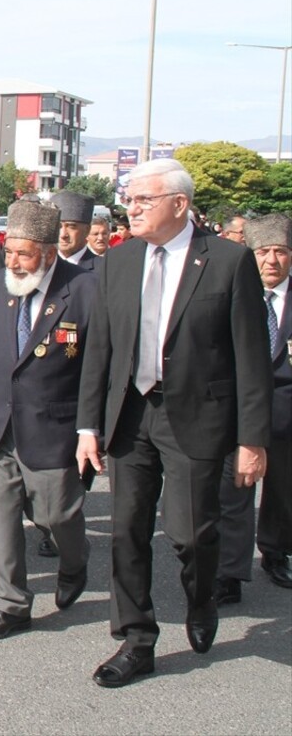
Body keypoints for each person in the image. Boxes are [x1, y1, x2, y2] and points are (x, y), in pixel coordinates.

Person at [76, 158, 270, 688]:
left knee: (190, 534)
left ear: (179, 205)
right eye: (129, 200)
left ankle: (201, 596)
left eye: (143, 200)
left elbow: (251, 356)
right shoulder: (118, 261)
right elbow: (102, 350)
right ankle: (137, 639)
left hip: (197, 418)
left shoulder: (229, 262)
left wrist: (253, 439)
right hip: (130, 414)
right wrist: (87, 426)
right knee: (126, 531)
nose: (130, 209)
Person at [0, 198, 95, 640]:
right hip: (0, 425)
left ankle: (75, 560)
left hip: (54, 426)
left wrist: (89, 428)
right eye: (9, 252)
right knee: (2, 518)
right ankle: (10, 603)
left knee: (58, 515)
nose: (15, 263)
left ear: (48, 253)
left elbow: (96, 367)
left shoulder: (83, 289)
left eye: (25, 255)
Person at [216, 214, 292, 601]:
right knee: (235, 490)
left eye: (281, 252)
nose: (272, 261)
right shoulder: (232, 293)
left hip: (286, 412)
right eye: (263, 251)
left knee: (282, 490)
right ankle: (229, 572)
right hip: (239, 409)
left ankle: (276, 552)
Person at [52, 190, 100, 271]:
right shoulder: (44, 266)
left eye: (71, 226)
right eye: (58, 226)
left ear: (87, 230)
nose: (63, 235)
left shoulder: (103, 269)